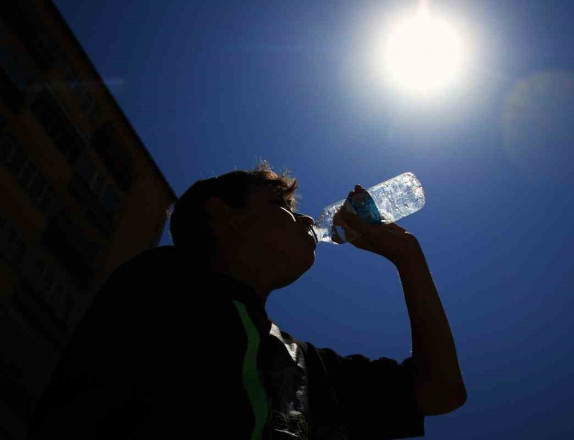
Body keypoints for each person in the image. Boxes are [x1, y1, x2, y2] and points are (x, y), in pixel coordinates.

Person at [26, 160, 466, 439]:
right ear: (223, 215)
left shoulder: (299, 365)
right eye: (283, 206)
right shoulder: (166, 285)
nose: (309, 219)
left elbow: (440, 392)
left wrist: (407, 256)